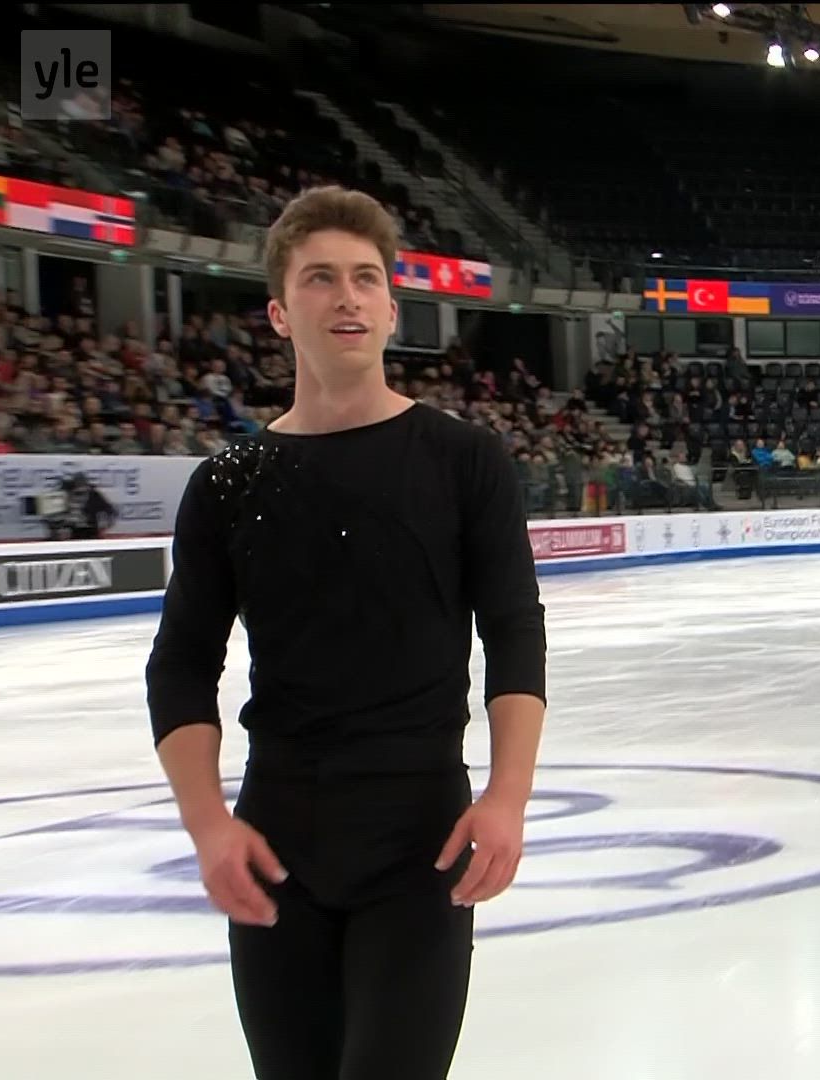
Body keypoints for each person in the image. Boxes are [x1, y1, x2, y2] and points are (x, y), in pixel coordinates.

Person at [144, 186, 548, 1080]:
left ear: (392, 309)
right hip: (278, 837)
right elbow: (179, 668)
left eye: (366, 278)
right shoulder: (229, 483)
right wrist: (208, 825)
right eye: (320, 278)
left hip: (420, 840)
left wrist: (509, 796)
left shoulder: (464, 461)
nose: (347, 297)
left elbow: (514, 631)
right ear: (280, 312)